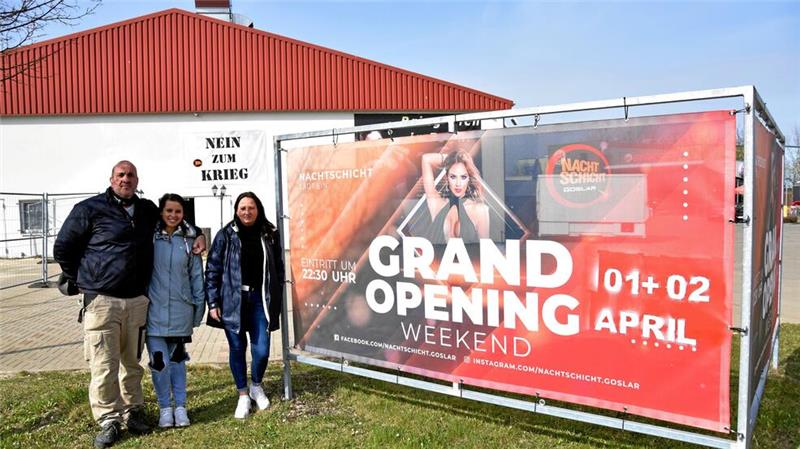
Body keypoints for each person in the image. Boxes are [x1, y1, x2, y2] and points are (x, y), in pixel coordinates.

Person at [53, 161, 205, 449]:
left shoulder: (147, 210)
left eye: (131, 175)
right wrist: (82, 280)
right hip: (102, 302)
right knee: (103, 364)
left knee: (131, 363)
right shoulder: (90, 209)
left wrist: (198, 234)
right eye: (121, 175)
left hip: (137, 301)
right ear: (111, 179)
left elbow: (175, 221)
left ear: (137, 180)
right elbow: (63, 247)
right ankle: (109, 419)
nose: (126, 179)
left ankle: (133, 411)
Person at [205, 192, 284, 419]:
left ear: (258, 209)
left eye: (251, 207)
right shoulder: (226, 235)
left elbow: (278, 267)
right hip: (232, 301)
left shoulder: (269, 234)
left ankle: (256, 386)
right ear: (236, 210)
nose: (247, 212)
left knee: (261, 349)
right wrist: (213, 302)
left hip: (260, 300)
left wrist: (276, 297)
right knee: (237, 349)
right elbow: (212, 270)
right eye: (242, 208)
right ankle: (242, 395)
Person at [146, 194, 205, 428]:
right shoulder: (150, 239)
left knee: (178, 360)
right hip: (154, 312)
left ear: (183, 214)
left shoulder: (189, 242)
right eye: (168, 211)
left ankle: (181, 407)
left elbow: (196, 278)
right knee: (158, 362)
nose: (173, 215)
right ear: (161, 212)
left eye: (178, 211)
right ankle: (164, 408)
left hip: (181, 310)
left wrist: (197, 311)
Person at [421, 150, 490, 243]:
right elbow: (426, 159)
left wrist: (463, 158)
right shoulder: (438, 204)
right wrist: (454, 158)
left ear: (469, 178)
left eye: (463, 177)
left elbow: (485, 251)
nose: (458, 183)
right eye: (453, 177)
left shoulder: (479, 210)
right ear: (446, 177)